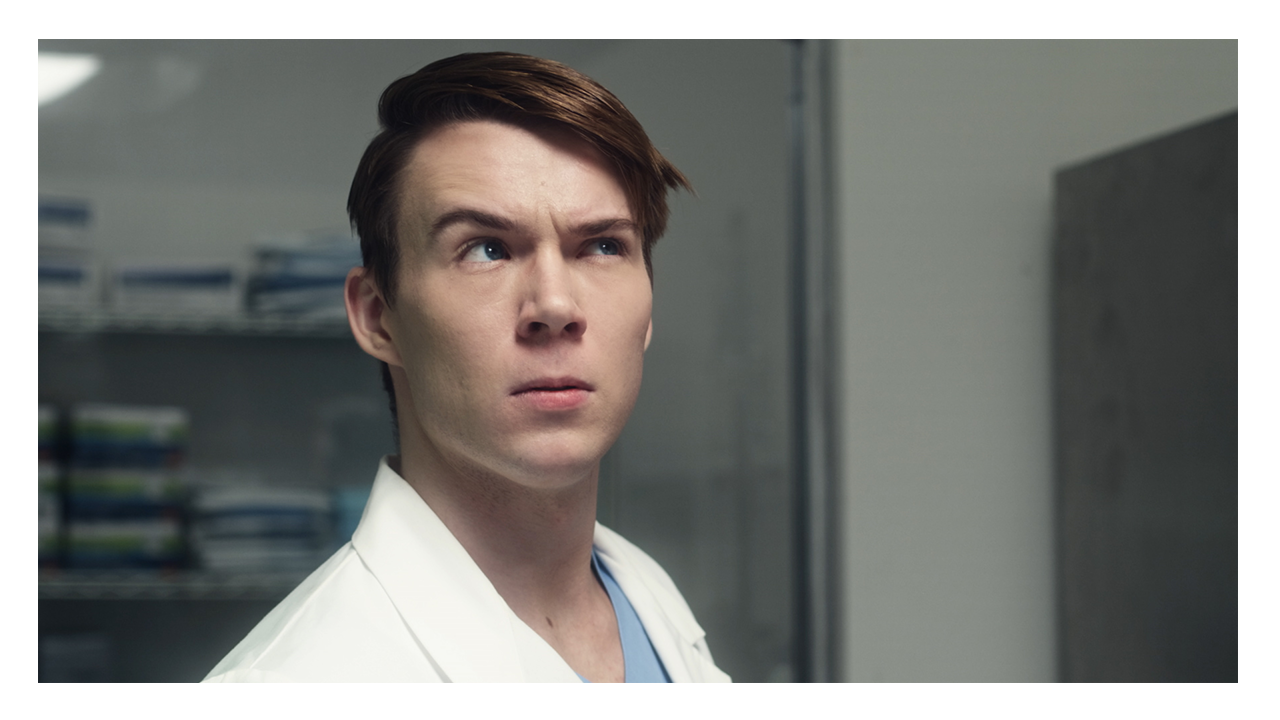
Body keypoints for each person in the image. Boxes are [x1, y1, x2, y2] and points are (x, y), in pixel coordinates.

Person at [203, 52, 730, 683]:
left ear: (647, 312)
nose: (556, 307)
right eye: (486, 250)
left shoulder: (644, 596)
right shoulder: (297, 682)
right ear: (377, 316)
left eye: (602, 246)